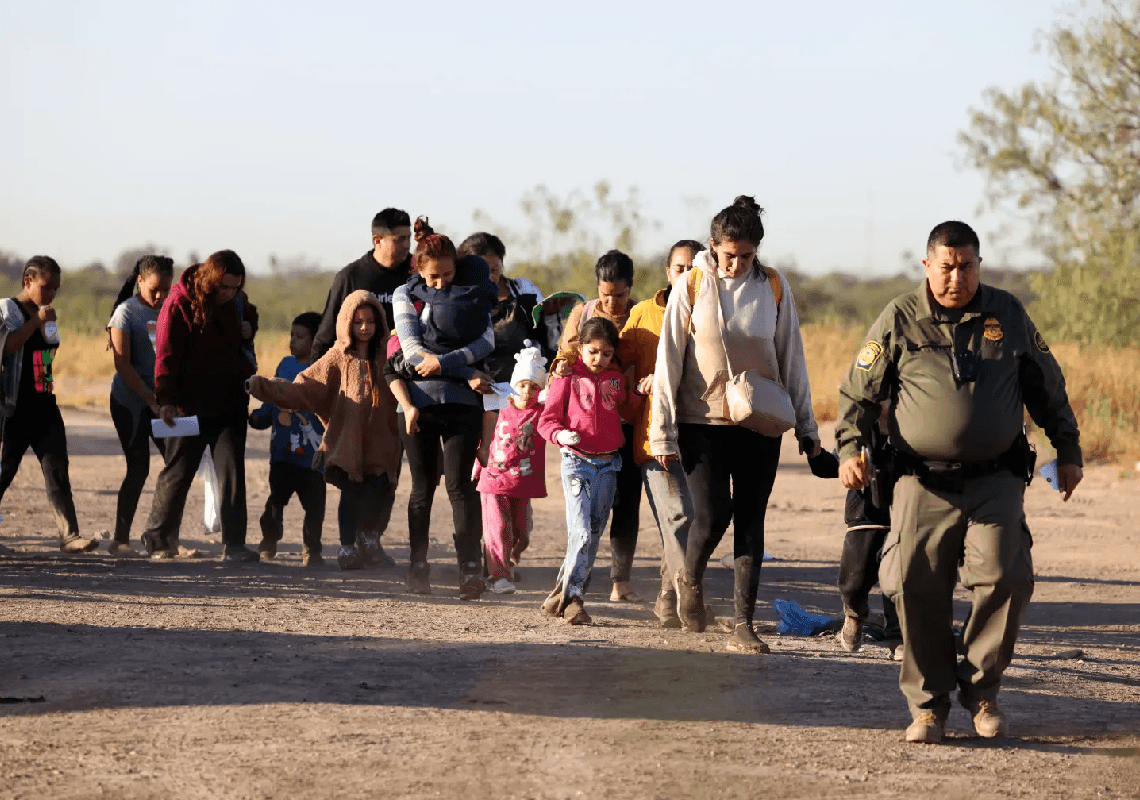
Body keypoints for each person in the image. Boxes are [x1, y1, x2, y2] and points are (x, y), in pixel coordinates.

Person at [835, 220, 1083, 744]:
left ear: (978, 265)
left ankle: (982, 691)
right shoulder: (900, 317)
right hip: (921, 480)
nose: (956, 277)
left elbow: (1047, 383)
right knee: (909, 580)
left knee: (1006, 575)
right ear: (927, 266)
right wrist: (851, 449)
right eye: (945, 266)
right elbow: (858, 392)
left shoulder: (1006, 313)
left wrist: (1069, 449)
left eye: (966, 265)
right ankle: (928, 706)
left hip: (996, 477)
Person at [650, 196, 819, 654]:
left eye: (746, 256)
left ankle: (745, 622)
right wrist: (660, 431)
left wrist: (808, 428)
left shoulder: (774, 288)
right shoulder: (691, 284)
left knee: (751, 518)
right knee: (711, 514)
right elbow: (667, 363)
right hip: (700, 420)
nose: (737, 264)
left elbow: (792, 359)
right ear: (713, 245)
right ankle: (690, 577)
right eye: (729, 255)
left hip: (760, 420)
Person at [248, 292, 401, 571]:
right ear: (346, 324)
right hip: (348, 441)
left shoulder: (387, 355)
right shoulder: (337, 357)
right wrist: (265, 388)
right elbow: (305, 387)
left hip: (382, 441)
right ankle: (346, 549)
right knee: (352, 492)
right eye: (357, 322)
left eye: (370, 321)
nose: (364, 328)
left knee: (379, 489)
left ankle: (369, 540)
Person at [386, 218, 496, 599]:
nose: (441, 283)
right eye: (433, 277)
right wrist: (464, 370)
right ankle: (418, 565)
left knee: (461, 487)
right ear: (419, 268)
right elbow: (413, 351)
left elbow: (487, 340)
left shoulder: (471, 291)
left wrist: (452, 368)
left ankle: (470, 570)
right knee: (422, 488)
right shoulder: (405, 295)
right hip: (418, 405)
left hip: (462, 405)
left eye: (447, 275)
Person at [143, 250, 260, 563]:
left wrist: (249, 325)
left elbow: (250, 315)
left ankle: (234, 544)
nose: (228, 293)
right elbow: (165, 354)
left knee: (232, 472)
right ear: (210, 279)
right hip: (187, 406)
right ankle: (158, 540)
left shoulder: (236, 301)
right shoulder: (179, 302)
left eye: (235, 287)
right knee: (178, 471)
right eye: (223, 287)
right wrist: (165, 400)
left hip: (230, 402)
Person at [309, 208, 412, 564]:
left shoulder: (416, 275)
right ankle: (348, 545)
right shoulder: (352, 276)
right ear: (377, 240)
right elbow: (325, 341)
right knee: (353, 477)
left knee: (386, 476)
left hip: (396, 396)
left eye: (409, 238)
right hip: (354, 399)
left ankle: (372, 539)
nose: (405, 246)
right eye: (399, 239)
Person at [618, 239, 704, 627]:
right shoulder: (642, 314)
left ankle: (668, 597)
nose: (685, 275)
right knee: (678, 517)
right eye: (679, 267)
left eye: (693, 268)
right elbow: (617, 370)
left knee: (695, 518)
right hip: (655, 436)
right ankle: (688, 596)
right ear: (668, 272)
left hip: (704, 432)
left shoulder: (715, 314)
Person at [538, 317, 643, 624]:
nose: (599, 359)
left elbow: (629, 408)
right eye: (593, 352)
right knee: (581, 532)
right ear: (580, 348)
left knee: (593, 533)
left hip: (609, 465)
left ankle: (561, 593)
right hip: (577, 462)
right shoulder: (567, 377)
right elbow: (547, 421)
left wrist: (643, 390)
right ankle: (573, 599)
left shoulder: (616, 379)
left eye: (606, 353)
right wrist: (560, 435)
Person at [554, 250, 642, 603]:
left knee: (625, 502)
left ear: (629, 288)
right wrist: (559, 370)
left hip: (628, 420)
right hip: (586, 430)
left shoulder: (640, 316)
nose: (611, 302)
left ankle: (620, 579)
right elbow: (565, 357)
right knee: (585, 515)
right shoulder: (583, 313)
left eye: (618, 295)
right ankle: (571, 587)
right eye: (605, 294)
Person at [0, 256, 98, 554]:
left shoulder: (45, 313)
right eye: (47, 287)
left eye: (56, 289)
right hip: (14, 406)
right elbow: (8, 347)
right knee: (5, 470)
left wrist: (48, 327)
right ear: (27, 281)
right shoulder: (7, 309)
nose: (52, 294)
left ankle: (70, 536)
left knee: (57, 469)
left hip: (44, 402)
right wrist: (37, 322)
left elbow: (47, 355)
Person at [106, 254, 175, 556]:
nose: (160, 296)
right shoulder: (126, 313)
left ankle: (163, 539)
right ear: (140, 281)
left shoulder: (172, 312)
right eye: (154, 290)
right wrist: (150, 400)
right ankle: (120, 539)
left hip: (162, 403)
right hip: (130, 402)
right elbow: (123, 364)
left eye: (166, 290)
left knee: (176, 468)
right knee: (138, 469)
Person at [248, 312, 327, 566]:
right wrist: (261, 417)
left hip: (314, 457)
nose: (293, 341)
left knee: (314, 508)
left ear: (316, 340)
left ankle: (311, 549)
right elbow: (275, 396)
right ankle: (269, 540)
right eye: (292, 335)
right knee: (275, 501)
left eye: (300, 336)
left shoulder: (324, 369)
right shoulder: (285, 365)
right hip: (283, 452)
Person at [476, 342, 548, 595]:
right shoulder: (499, 409)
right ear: (513, 386)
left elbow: (556, 401)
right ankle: (498, 576)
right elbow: (485, 439)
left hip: (523, 482)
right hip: (494, 479)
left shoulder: (541, 414)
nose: (527, 391)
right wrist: (478, 465)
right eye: (522, 385)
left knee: (521, 532)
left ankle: (511, 558)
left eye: (534, 386)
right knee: (497, 528)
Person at [835, 404, 899, 652]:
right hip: (865, 503)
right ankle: (854, 614)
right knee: (854, 580)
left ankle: (898, 633)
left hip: (907, 498)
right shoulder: (860, 412)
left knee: (901, 573)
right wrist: (845, 457)